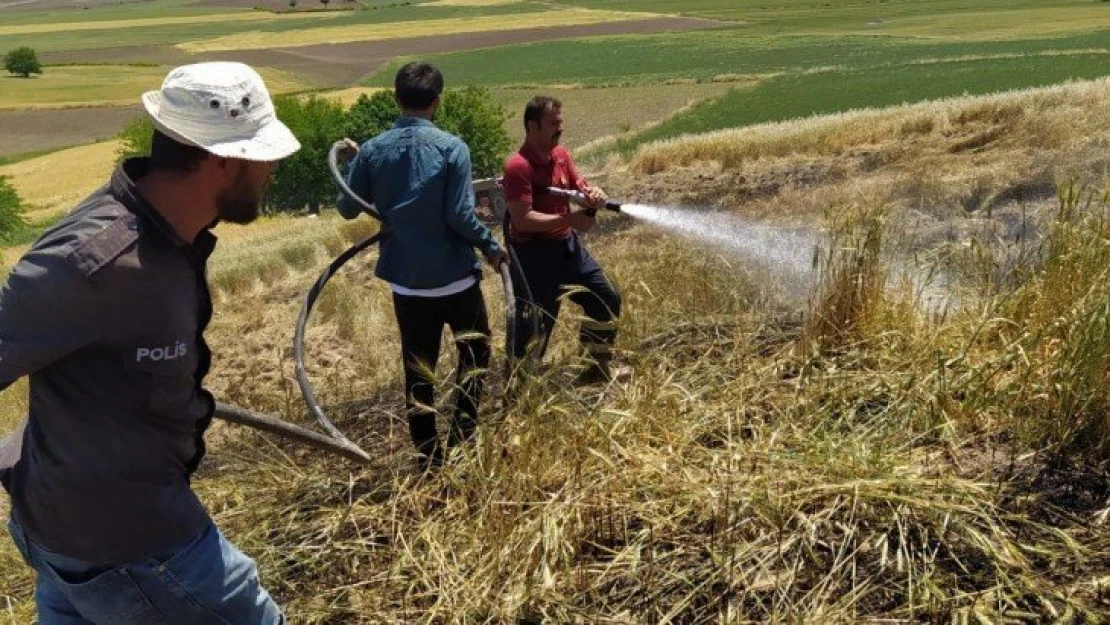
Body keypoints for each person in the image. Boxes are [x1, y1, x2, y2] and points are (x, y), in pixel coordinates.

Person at [0, 61, 298, 624]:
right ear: (222, 159)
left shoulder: (167, 236)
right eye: (264, 157)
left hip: (77, 539)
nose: (272, 169)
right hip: (134, 546)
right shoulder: (92, 261)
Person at [338, 62, 507, 471]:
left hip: (408, 288)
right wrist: (491, 246)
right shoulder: (453, 148)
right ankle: (463, 443)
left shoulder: (375, 150)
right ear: (438, 101)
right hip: (455, 283)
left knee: (419, 372)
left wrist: (358, 164)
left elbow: (347, 207)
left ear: (396, 99)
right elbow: (459, 216)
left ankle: (429, 461)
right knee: (475, 359)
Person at [502, 95, 622, 383]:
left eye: (561, 122)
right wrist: (570, 220)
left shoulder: (561, 156)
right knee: (535, 328)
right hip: (533, 256)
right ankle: (520, 392)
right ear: (532, 127)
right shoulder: (518, 167)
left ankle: (594, 370)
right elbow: (522, 220)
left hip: (567, 248)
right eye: (553, 124)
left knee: (605, 298)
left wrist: (593, 195)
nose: (560, 128)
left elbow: (578, 184)